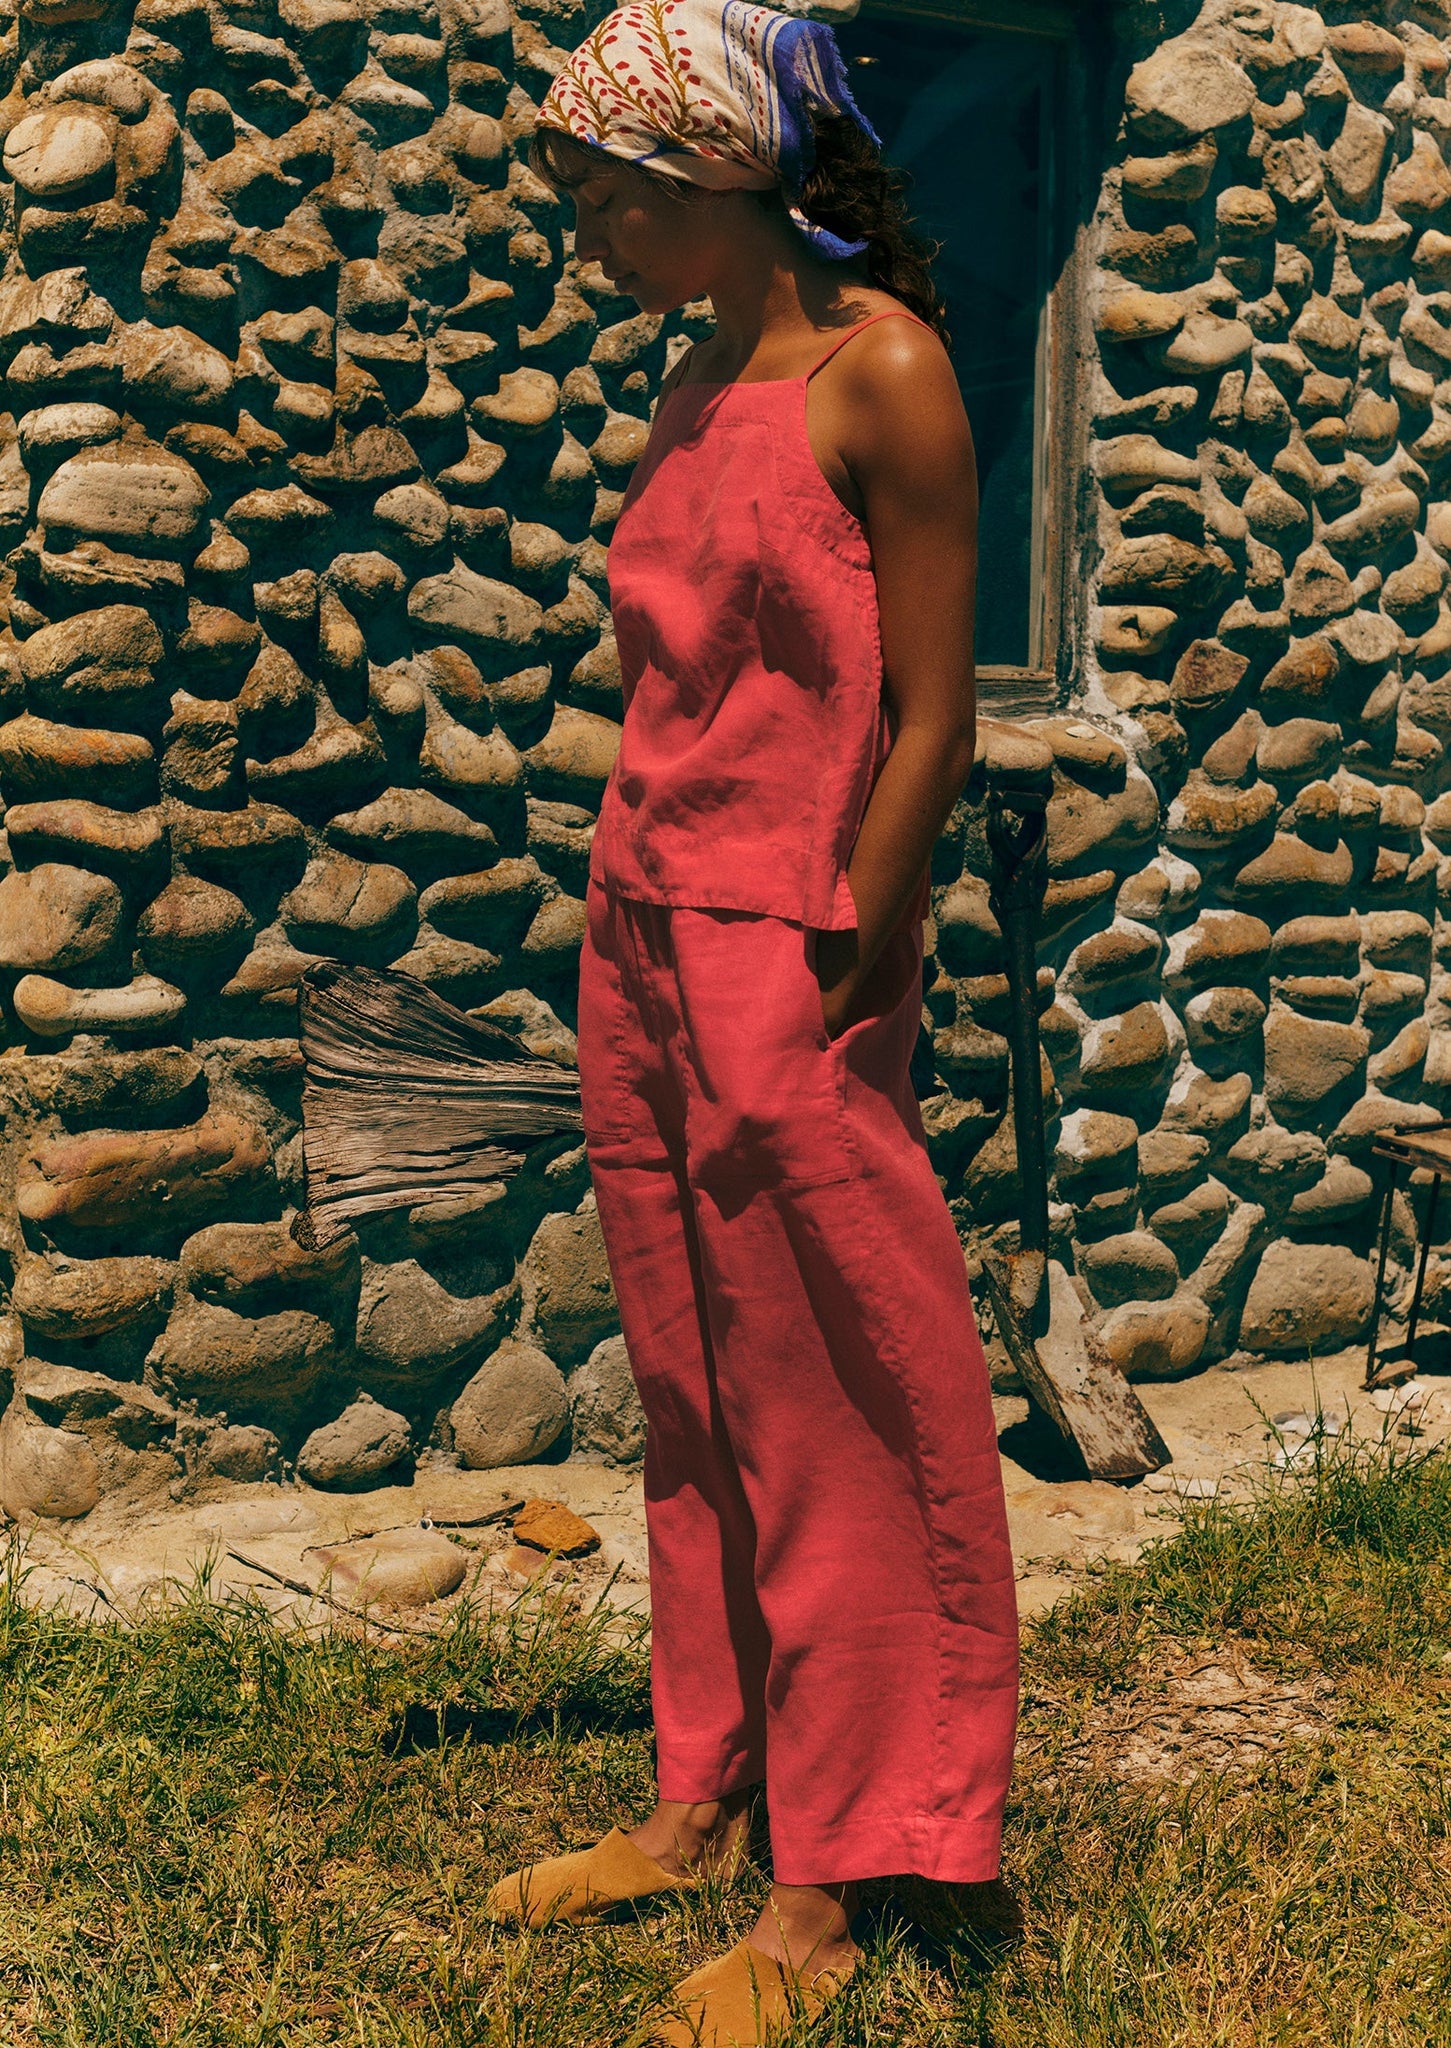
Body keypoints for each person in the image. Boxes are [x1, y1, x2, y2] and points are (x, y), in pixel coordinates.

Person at [485, 3, 1019, 2039]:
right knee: (696, 1392)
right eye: (585, 199)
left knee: (826, 1407)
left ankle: (834, 1883)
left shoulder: (882, 371)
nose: (599, 231)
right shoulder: (702, 380)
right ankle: (702, 1791)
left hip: (779, 945)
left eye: (620, 194)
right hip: (640, 927)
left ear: (726, 173)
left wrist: (837, 963)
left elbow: (937, 717)